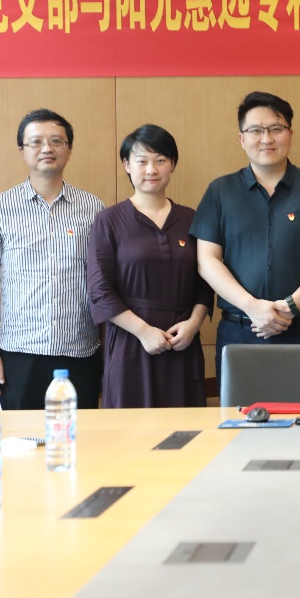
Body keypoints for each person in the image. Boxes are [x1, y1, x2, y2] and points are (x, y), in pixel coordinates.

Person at [194, 92, 300, 375]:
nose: (266, 138)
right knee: (239, 406)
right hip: (240, 332)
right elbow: (207, 260)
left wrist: (291, 306)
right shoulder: (220, 192)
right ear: (242, 138)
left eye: (276, 129)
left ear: (290, 134)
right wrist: (251, 306)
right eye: (256, 130)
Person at [0, 109, 105, 410]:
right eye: (36, 142)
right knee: (22, 438)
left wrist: (106, 352)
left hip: (80, 350)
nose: (47, 148)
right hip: (18, 352)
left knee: (78, 436)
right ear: (22, 150)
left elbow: (101, 284)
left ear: (69, 150)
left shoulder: (93, 208)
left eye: (56, 141)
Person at [86, 124, 213, 408]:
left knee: (186, 428)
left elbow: (205, 284)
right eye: (142, 161)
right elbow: (100, 290)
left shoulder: (192, 219)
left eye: (160, 160)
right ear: (127, 165)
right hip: (130, 343)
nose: (151, 170)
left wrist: (193, 325)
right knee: (131, 428)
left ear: (172, 165)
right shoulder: (109, 220)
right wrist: (144, 332)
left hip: (182, 341)